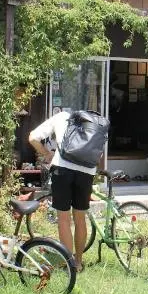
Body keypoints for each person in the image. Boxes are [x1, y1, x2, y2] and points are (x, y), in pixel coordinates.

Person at [29, 110, 94, 272]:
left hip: (63, 169)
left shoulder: (60, 116)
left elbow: (32, 137)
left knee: (64, 219)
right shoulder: (91, 120)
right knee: (80, 219)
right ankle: (78, 262)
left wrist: (47, 154)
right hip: (87, 171)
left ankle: (69, 263)